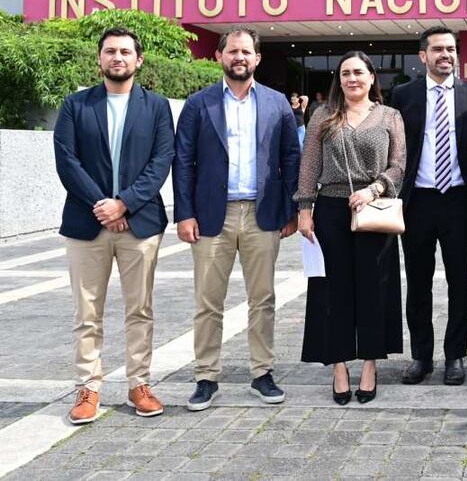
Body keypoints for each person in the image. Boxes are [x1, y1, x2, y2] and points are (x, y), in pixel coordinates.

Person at [173, 27, 301, 411]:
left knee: (262, 299)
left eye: (246, 51)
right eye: (232, 51)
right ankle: (206, 376)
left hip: (262, 216)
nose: (239, 57)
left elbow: (291, 158)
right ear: (219, 57)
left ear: (258, 58)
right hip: (213, 217)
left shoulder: (278, 103)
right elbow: (183, 162)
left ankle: (262, 373)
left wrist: (291, 210)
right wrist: (184, 214)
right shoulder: (199, 104)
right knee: (207, 301)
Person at [53, 27, 175, 424]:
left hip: (140, 225)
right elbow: (67, 161)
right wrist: (103, 206)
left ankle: (139, 383)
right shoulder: (75, 105)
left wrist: (125, 203)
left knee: (140, 310)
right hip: (87, 225)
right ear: (99, 59)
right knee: (87, 312)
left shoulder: (156, 107)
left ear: (139, 60)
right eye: (110, 51)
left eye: (125, 51)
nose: (117, 57)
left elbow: (161, 162)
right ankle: (88, 387)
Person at [296, 51, 405, 404]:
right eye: (345, 73)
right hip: (330, 211)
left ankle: (370, 365)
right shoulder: (322, 116)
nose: (352, 78)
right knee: (333, 290)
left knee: (375, 289)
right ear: (339, 80)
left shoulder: (390, 116)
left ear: (372, 77)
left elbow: (399, 166)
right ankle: (339, 365)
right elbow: (309, 165)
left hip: (375, 211)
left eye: (359, 72)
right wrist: (304, 208)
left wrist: (373, 189)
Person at [390, 27, 467, 386]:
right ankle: (421, 356)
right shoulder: (403, 95)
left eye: (451, 49)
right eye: (438, 49)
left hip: (460, 201)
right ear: (423, 56)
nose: (446, 54)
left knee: (460, 282)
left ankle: (455, 356)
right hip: (417, 202)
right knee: (417, 283)